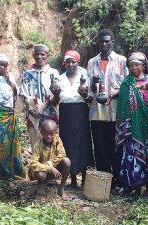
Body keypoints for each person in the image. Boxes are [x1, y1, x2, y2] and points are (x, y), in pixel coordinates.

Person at [116, 52, 148, 196]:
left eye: (136, 64)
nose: (133, 68)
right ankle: (136, 188)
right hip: (131, 125)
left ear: (143, 66)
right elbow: (123, 106)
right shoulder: (126, 83)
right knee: (133, 154)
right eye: (130, 65)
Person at [87, 29, 128, 188]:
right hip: (97, 113)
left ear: (112, 42)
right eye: (101, 41)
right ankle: (104, 182)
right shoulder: (92, 62)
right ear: (98, 42)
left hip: (117, 113)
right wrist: (92, 84)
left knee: (117, 147)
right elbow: (91, 91)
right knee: (100, 148)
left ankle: (117, 180)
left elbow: (127, 85)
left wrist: (112, 93)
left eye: (107, 41)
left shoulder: (121, 60)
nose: (104, 44)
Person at [53, 50, 94, 187]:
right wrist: (56, 94)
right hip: (66, 113)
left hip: (81, 112)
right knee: (68, 143)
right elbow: (56, 101)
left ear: (78, 62)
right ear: (64, 63)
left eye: (73, 61)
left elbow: (90, 98)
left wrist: (83, 95)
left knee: (82, 142)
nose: (70, 64)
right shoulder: (60, 78)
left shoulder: (84, 76)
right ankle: (73, 179)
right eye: (68, 62)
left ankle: (84, 178)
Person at [0, 54, 25, 179]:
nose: (3, 67)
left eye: (5, 65)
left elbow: (15, 94)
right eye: (0, 64)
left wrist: (9, 81)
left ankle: (10, 171)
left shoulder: (10, 76)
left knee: (9, 143)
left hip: (9, 114)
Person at [19, 44, 60, 150]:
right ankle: (38, 166)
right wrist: (30, 108)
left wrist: (42, 108)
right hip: (33, 115)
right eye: (36, 54)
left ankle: (52, 166)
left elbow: (55, 94)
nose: (39, 57)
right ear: (33, 55)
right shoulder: (27, 74)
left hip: (50, 114)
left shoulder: (53, 73)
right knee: (35, 144)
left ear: (47, 55)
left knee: (51, 144)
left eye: (42, 54)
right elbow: (24, 94)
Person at [29, 119, 71, 200]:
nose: (49, 137)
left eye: (51, 134)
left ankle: (61, 188)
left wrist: (51, 163)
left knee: (67, 161)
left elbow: (62, 154)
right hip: (43, 172)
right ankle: (41, 184)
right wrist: (50, 168)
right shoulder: (37, 146)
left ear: (55, 132)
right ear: (41, 133)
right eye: (46, 134)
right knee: (41, 175)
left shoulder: (57, 139)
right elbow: (33, 164)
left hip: (55, 170)